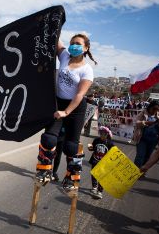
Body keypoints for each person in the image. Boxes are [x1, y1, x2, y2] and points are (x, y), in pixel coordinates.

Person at [35, 33, 97, 192]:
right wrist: (55, 20)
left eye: (77, 43)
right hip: (59, 103)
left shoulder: (87, 70)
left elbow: (79, 95)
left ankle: (71, 177)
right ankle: (45, 169)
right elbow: (55, 38)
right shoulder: (64, 56)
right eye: (72, 43)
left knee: (71, 146)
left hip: (75, 107)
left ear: (85, 48)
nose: (73, 46)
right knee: (48, 138)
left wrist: (66, 112)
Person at [133, 101, 159, 167]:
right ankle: (135, 171)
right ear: (150, 107)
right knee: (140, 156)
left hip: (153, 141)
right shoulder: (143, 113)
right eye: (154, 109)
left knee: (148, 156)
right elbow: (135, 122)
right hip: (142, 139)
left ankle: (142, 170)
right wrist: (144, 122)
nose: (155, 111)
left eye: (157, 109)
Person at [88, 126, 114, 199]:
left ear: (107, 134)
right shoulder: (96, 140)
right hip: (95, 160)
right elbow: (92, 148)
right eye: (101, 133)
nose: (102, 135)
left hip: (104, 163)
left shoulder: (110, 143)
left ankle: (100, 191)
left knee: (102, 177)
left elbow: (114, 152)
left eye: (104, 134)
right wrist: (90, 147)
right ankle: (94, 187)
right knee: (94, 174)